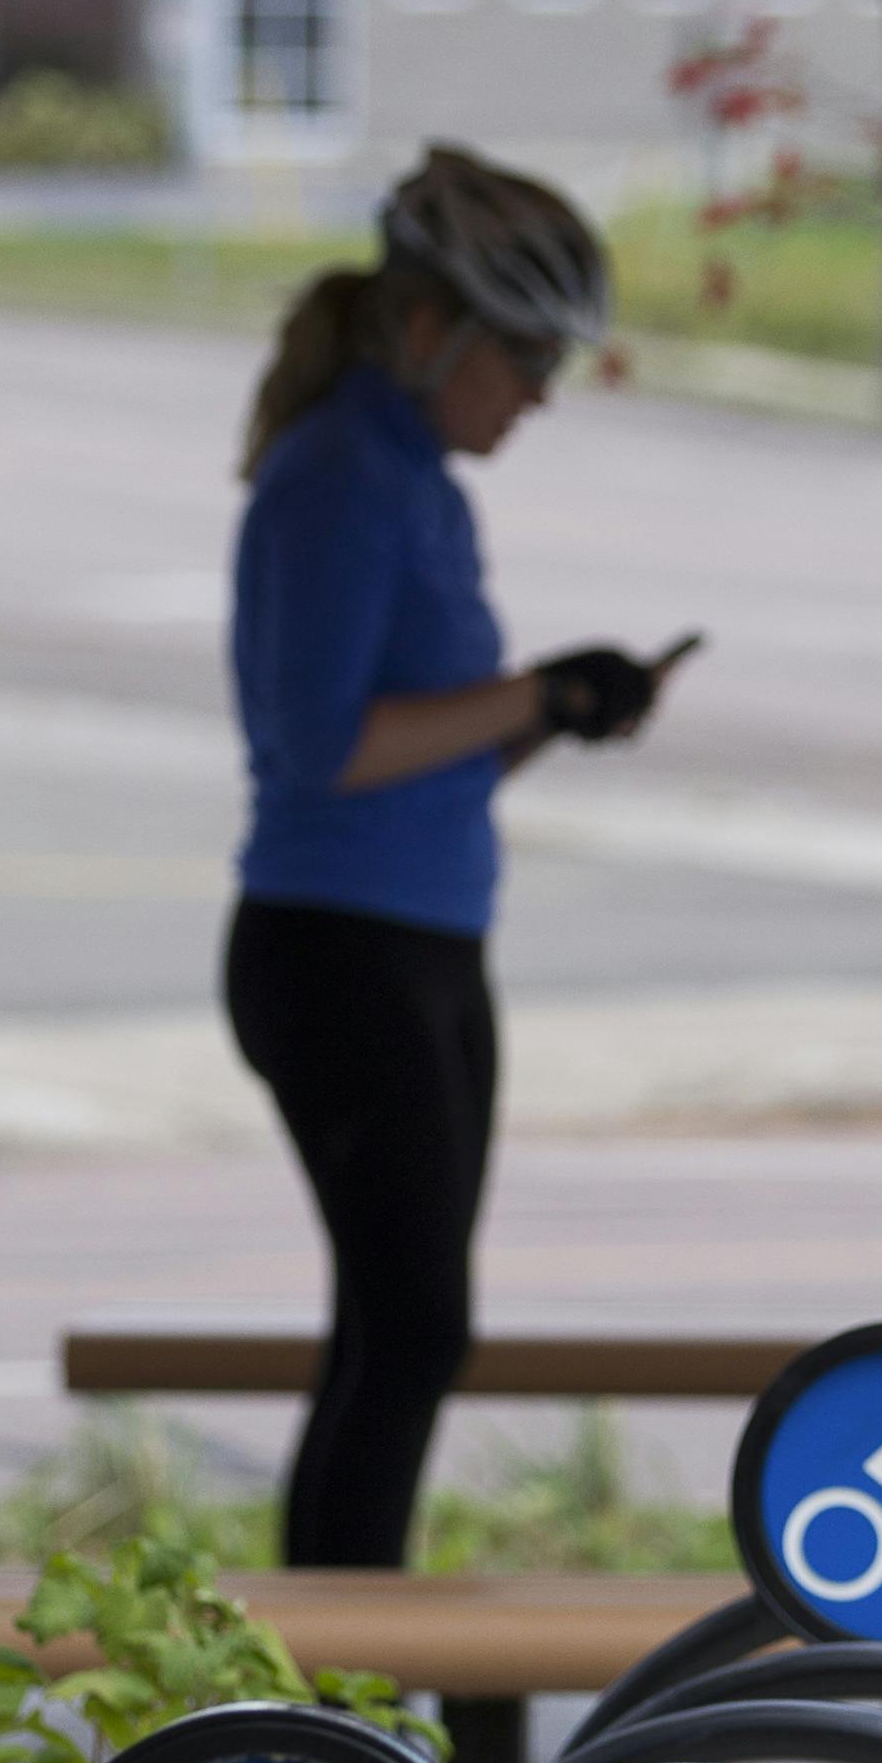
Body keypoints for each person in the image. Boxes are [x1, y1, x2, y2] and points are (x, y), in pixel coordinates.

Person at [225, 143, 685, 1567]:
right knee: (413, 1326)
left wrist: (562, 710)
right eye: (529, 355)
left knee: (404, 1329)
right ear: (432, 332)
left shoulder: (416, 477)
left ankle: (337, 1682)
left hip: (416, 935)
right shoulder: (342, 475)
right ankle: (330, 1685)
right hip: (339, 945)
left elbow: (431, 752)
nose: (543, 391)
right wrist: (538, 688)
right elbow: (325, 746)